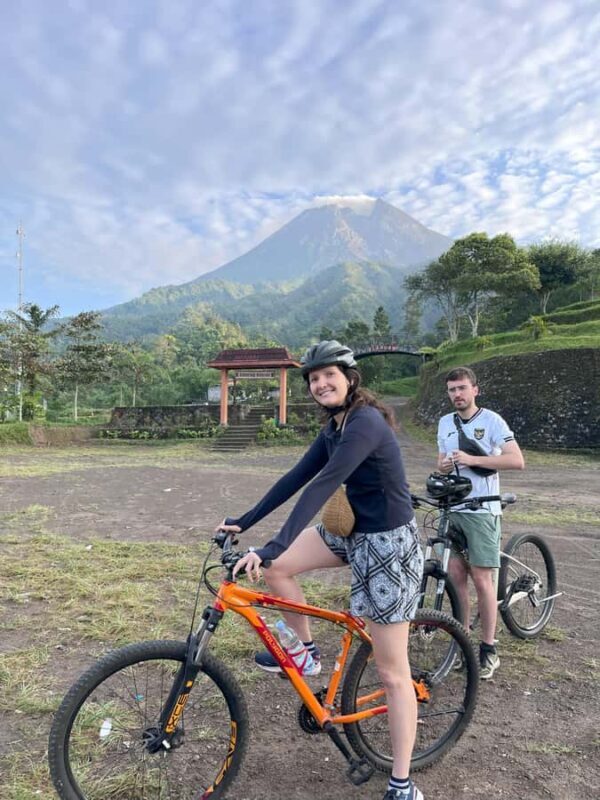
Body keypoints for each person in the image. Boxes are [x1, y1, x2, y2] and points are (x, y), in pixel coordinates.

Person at [218, 340, 424, 800]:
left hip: (388, 543)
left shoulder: (365, 422)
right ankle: (306, 651)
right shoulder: (335, 426)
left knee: (393, 673)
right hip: (350, 531)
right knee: (279, 569)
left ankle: (402, 781)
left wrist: (270, 544)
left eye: (329, 375)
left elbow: (325, 483)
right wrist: (244, 521)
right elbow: (296, 477)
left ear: (350, 378)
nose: (320, 384)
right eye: (313, 379)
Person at [437, 366, 524, 680]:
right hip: (453, 508)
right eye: (451, 390)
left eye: (462, 388)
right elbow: (441, 461)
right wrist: (446, 464)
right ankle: (463, 642)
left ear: (475, 389)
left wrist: (474, 460)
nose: (457, 395)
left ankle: (489, 648)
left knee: (482, 580)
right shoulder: (445, 423)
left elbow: (516, 460)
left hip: (483, 511)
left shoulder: (491, 421)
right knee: (456, 576)